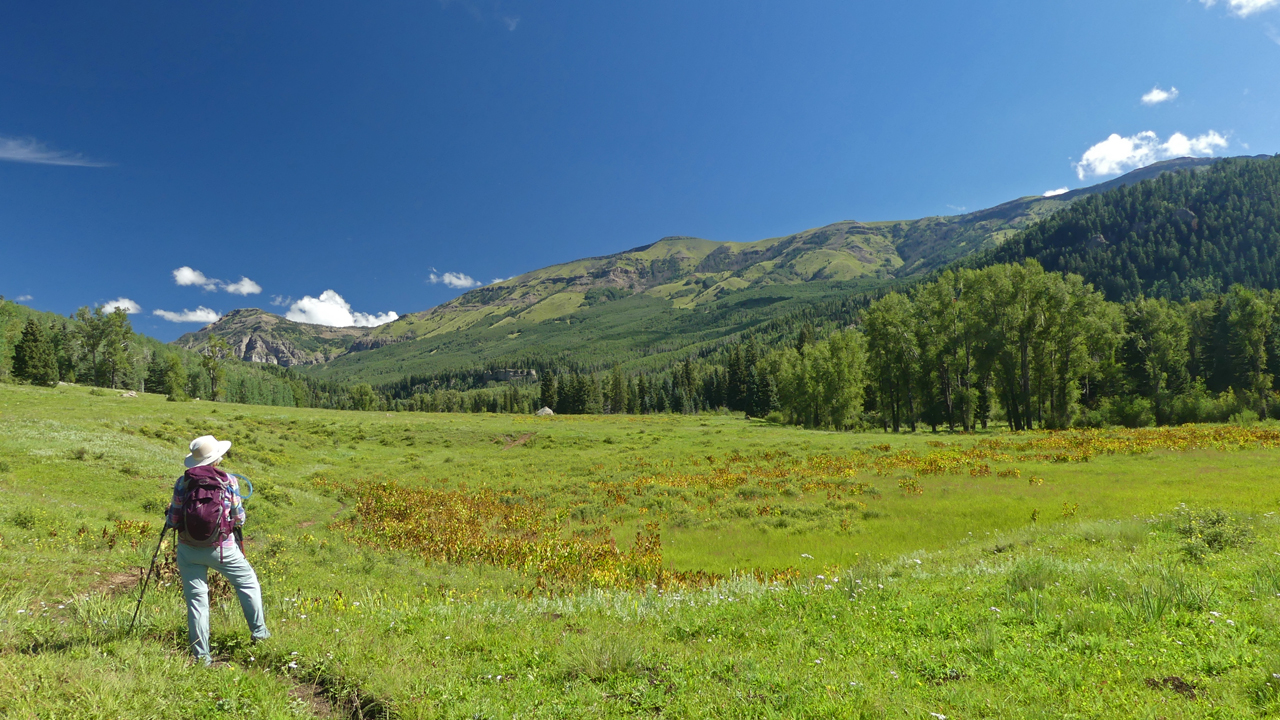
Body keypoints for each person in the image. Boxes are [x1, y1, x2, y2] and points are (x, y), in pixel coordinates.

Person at [165, 435, 270, 666]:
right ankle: (260, 634)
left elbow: (173, 519)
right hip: (222, 548)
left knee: (197, 602)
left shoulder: (182, 482)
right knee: (248, 583)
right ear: (217, 458)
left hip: (188, 549)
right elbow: (239, 517)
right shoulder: (229, 481)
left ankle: (202, 657)